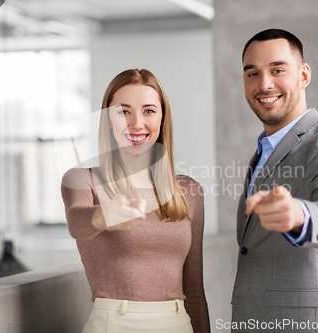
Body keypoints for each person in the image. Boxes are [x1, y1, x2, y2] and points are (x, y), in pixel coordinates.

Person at [231, 29, 318, 332]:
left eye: (277, 70)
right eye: (252, 73)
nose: (264, 84)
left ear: (303, 75)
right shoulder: (264, 149)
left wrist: (300, 215)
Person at [61, 69, 210, 333]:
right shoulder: (83, 180)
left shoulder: (188, 191)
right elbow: (76, 221)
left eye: (149, 111)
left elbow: (195, 291)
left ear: (162, 119)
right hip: (113, 324)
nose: (137, 123)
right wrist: (105, 216)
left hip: (177, 323)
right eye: (123, 111)